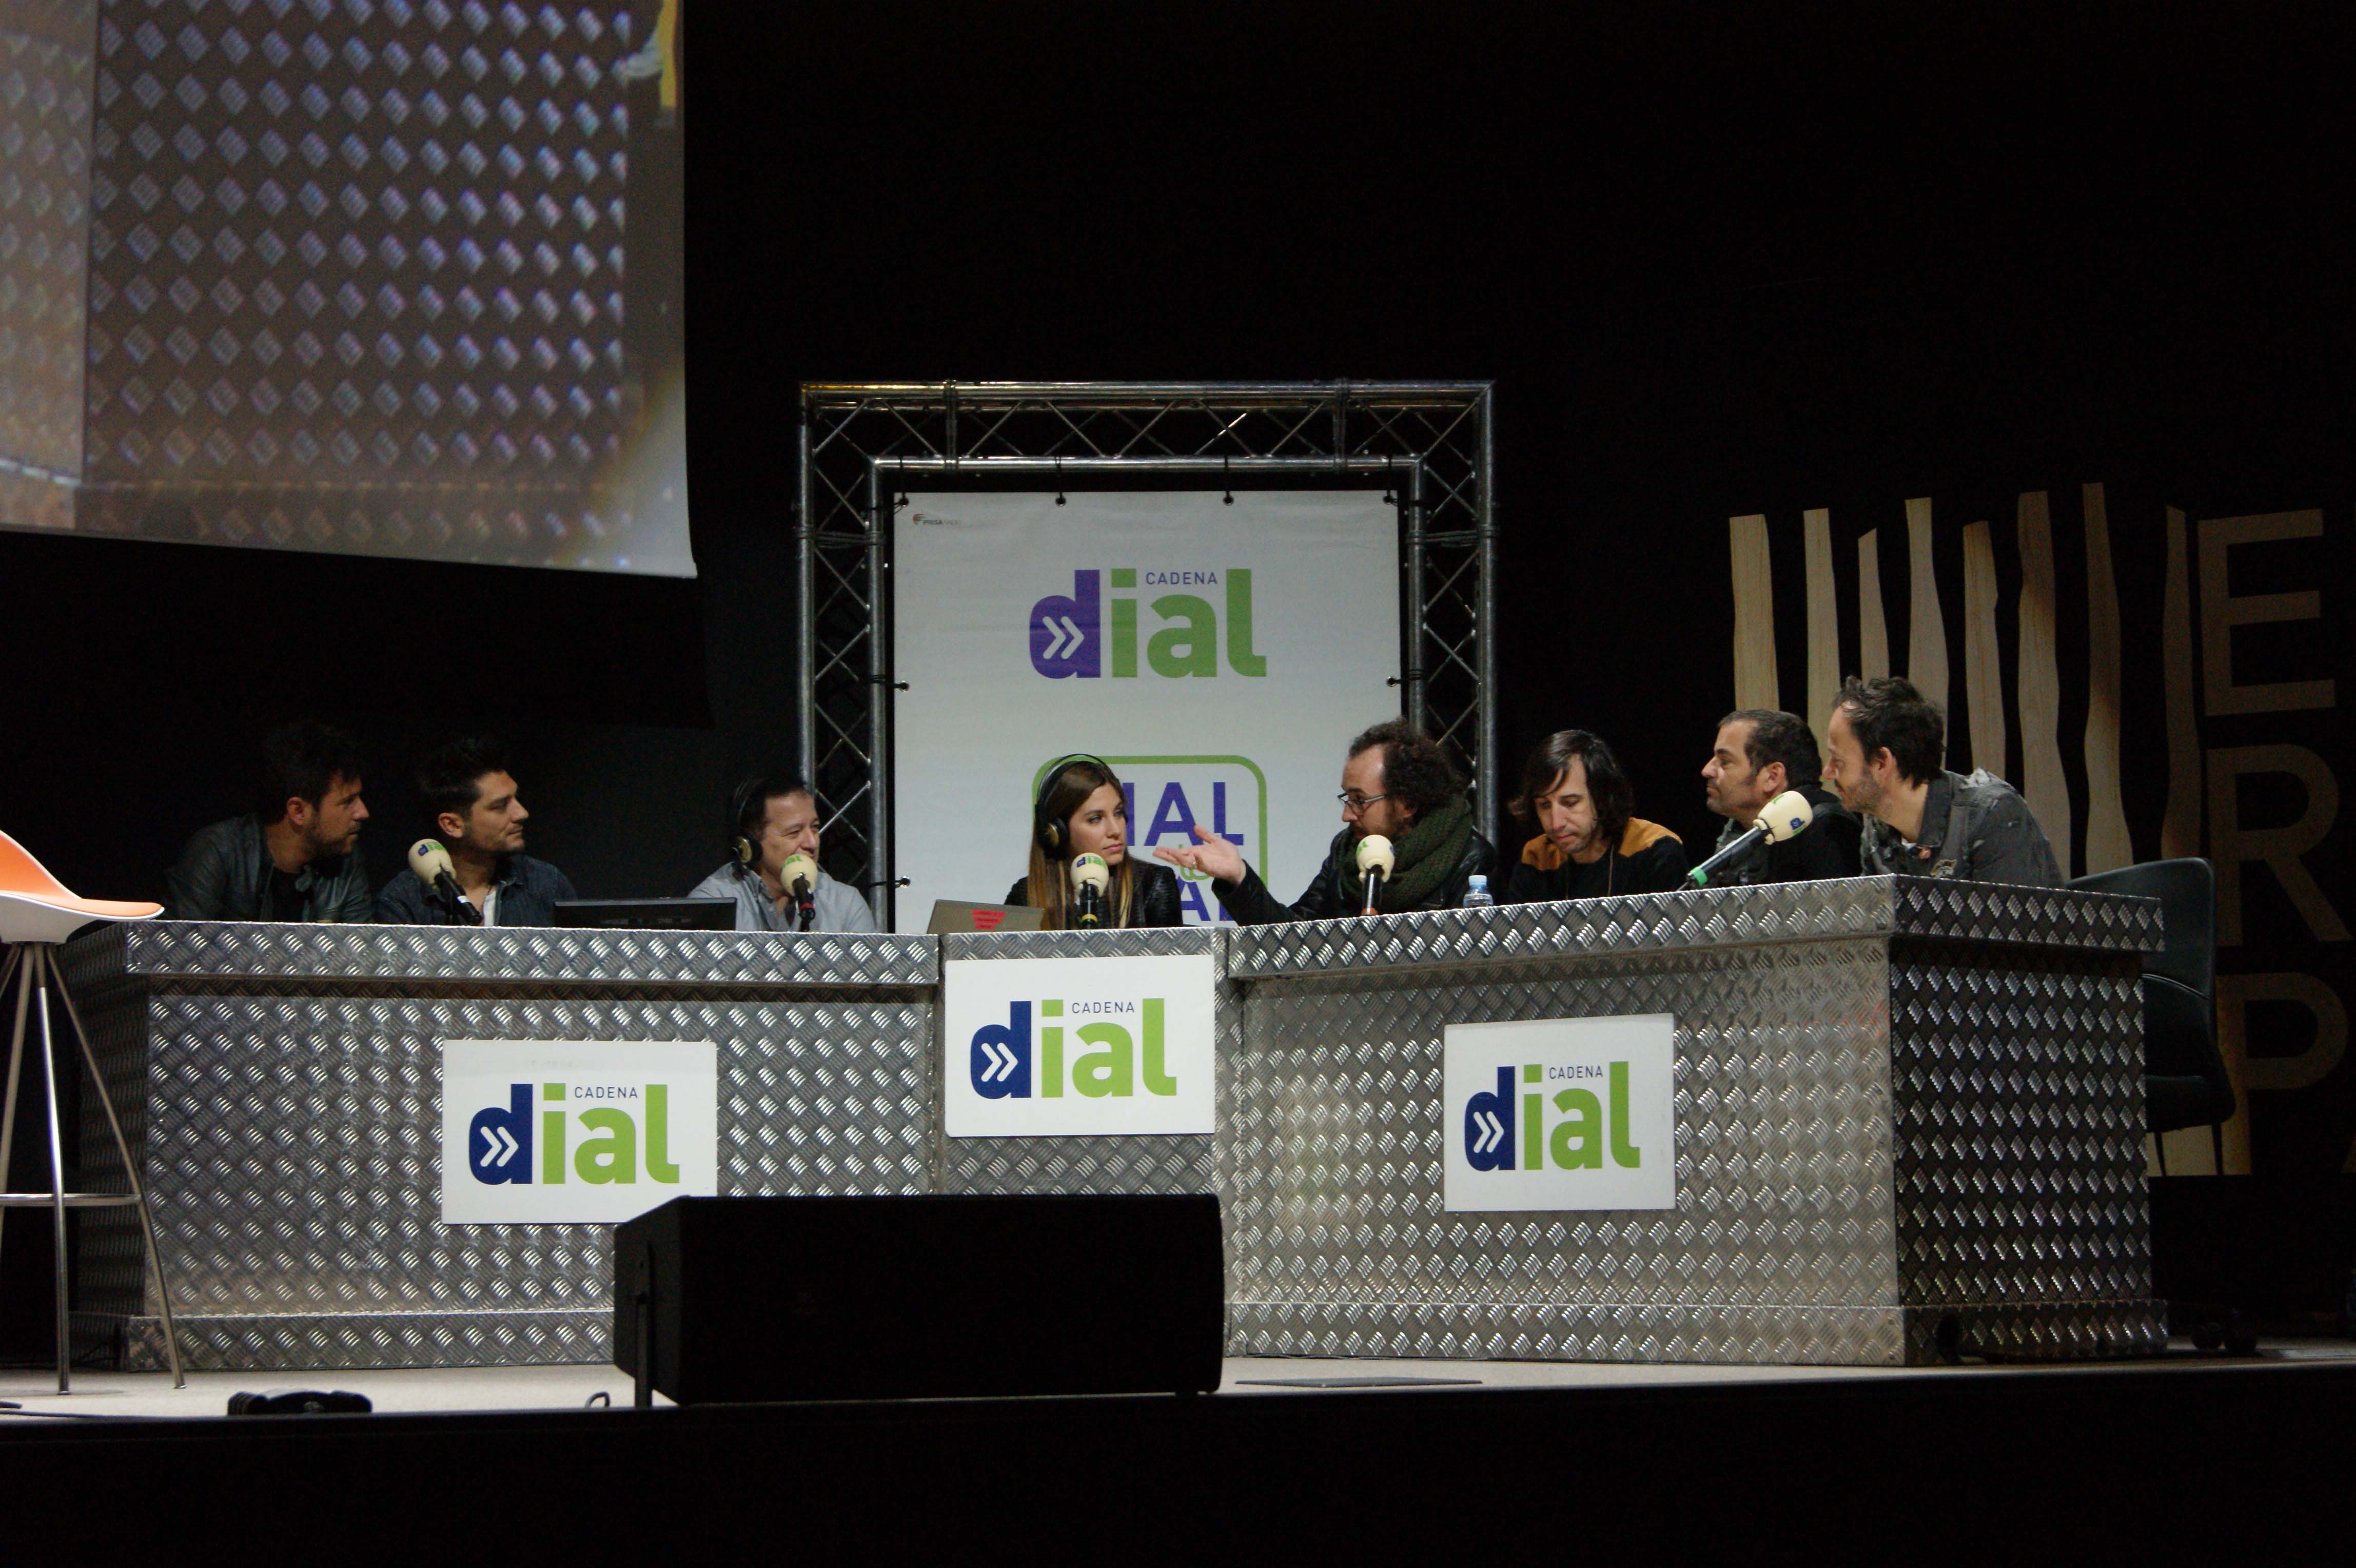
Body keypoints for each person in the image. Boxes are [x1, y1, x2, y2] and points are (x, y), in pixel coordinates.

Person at [1157, 718, 1495, 923]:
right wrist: (1239, 877)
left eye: (1360, 801)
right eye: (1347, 798)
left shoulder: (1469, 859)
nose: (1347, 814)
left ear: (1407, 803)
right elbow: (1292, 939)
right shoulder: (1346, 851)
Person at [1823, 675, 2062, 885]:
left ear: (1882, 762)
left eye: (1838, 761)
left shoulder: (1991, 813)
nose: (1828, 772)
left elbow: (2018, 923)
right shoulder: (1877, 830)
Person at [166, 723, 374, 923]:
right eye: (348, 802)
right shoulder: (219, 851)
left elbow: (359, 947)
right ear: (298, 811)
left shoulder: (346, 863)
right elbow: (183, 943)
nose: (363, 813)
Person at [374, 738, 578, 926]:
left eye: (516, 799)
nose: (522, 813)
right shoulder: (403, 901)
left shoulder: (547, 884)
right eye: (501, 805)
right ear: (452, 825)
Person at [1504, 730, 1687, 903]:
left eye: (1570, 803)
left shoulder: (1653, 850)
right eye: (1545, 806)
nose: (1556, 823)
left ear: (1601, 797)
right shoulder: (1537, 857)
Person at [1007, 756, 1183, 929]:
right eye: (1096, 819)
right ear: (1058, 831)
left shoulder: (1152, 885)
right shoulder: (1025, 896)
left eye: (1118, 813)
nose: (1115, 830)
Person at [688, 774, 878, 933]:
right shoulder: (711, 903)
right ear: (750, 844)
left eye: (815, 828)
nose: (812, 843)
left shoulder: (846, 905)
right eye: (794, 833)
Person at [1700, 709, 1862, 885]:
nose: (1707, 771)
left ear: (1772, 777)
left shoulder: (1829, 828)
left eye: (1725, 761)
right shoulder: (1739, 828)